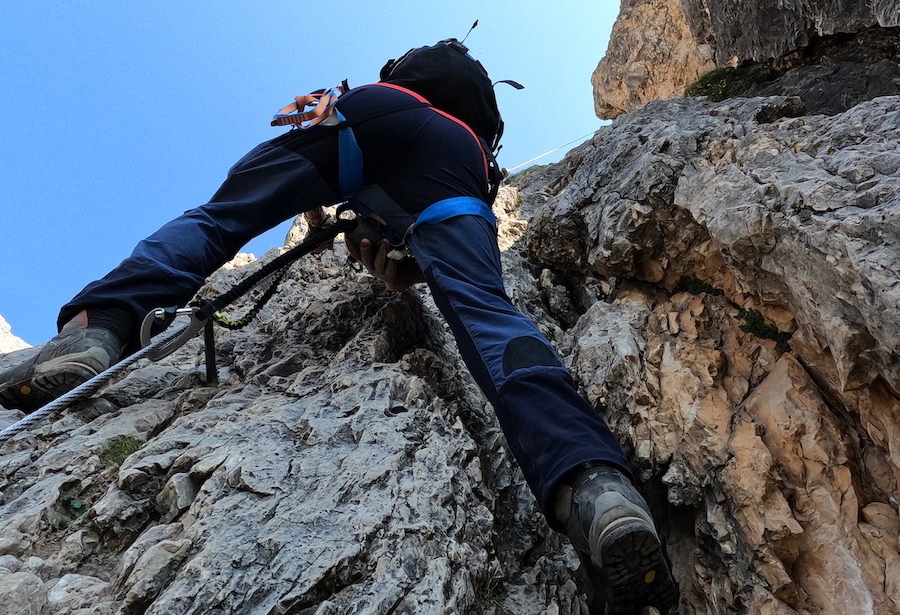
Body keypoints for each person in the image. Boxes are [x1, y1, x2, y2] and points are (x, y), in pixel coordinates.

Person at [0, 39, 676, 614]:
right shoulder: (470, 119)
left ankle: (99, 328)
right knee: (488, 313)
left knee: (220, 219)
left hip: (369, 117)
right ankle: (594, 486)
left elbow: (342, 159)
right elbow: (413, 251)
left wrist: (324, 204)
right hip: (458, 163)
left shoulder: (401, 84)